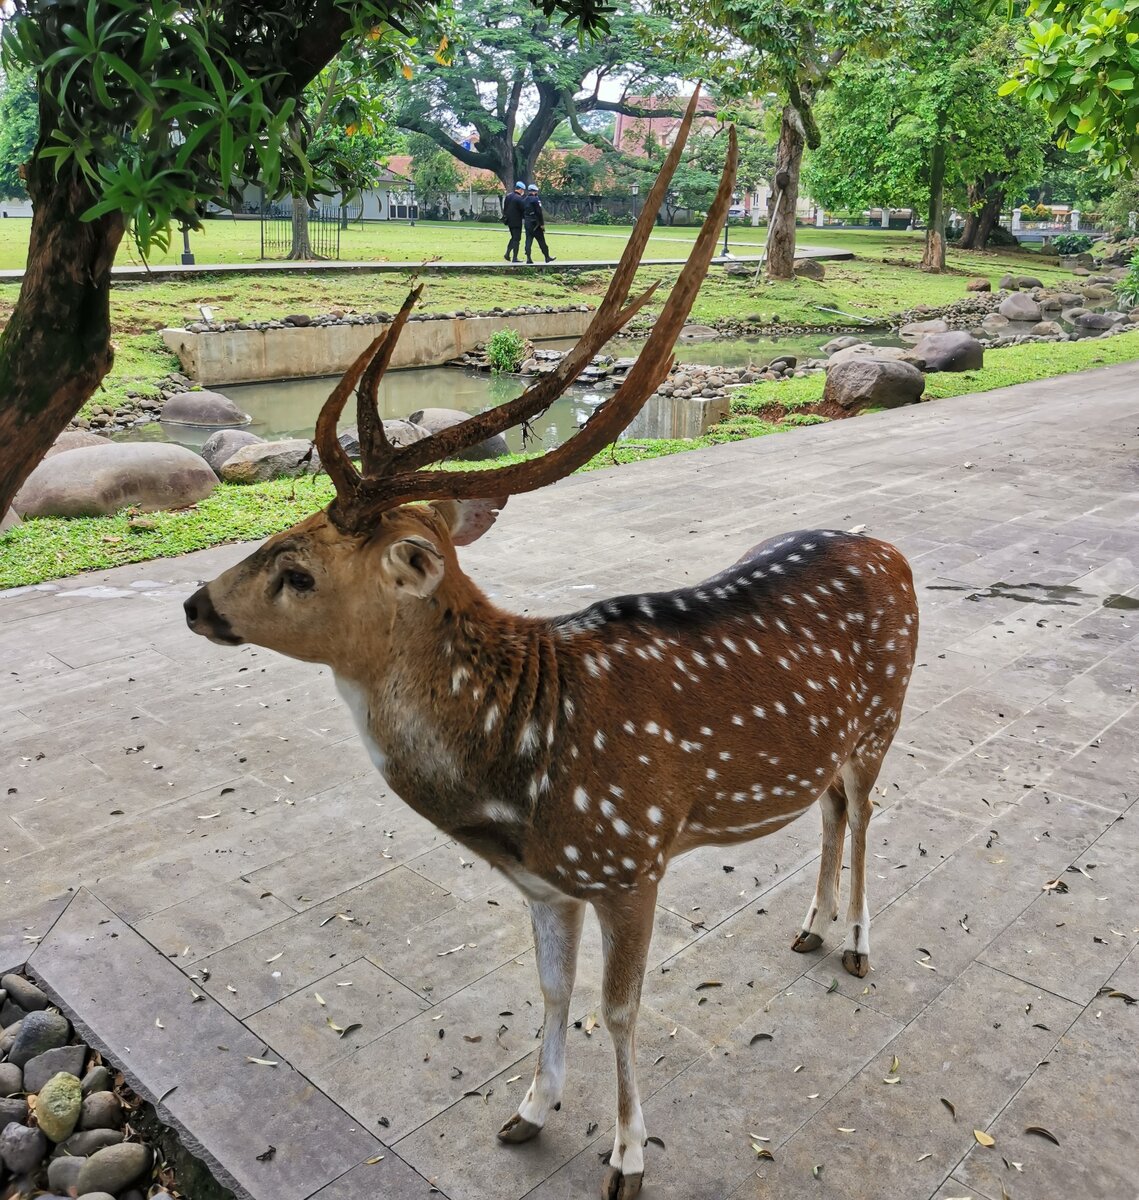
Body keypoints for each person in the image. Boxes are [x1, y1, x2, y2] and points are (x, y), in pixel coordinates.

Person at [523, 183, 555, 264]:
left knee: (528, 241)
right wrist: (542, 224)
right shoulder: (536, 200)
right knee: (541, 241)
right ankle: (547, 257)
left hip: (527, 223)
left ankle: (528, 258)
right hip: (536, 224)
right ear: (534, 192)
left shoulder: (524, 200)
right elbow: (539, 213)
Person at [502, 181, 526, 263]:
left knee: (513, 237)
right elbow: (523, 210)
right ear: (521, 189)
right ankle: (514, 257)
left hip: (509, 221)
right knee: (517, 239)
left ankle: (507, 254)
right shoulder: (519, 199)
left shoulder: (508, 196)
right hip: (516, 222)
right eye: (523, 190)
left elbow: (505, 208)